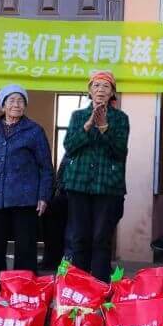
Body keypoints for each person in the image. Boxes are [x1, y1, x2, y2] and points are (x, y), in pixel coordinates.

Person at [0, 84, 53, 289]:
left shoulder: (34, 131)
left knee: (25, 247)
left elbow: (46, 167)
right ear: (2, 105)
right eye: (11, 101)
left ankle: (24, 289)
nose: (16, 105)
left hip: (26, 199)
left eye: (20, 101)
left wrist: (44, 196)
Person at [62, 71, 129, 282]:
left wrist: (104, 128)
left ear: (112, 93)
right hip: (78, 186)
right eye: (97, 86)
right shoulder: (78, 116)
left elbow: (120, 152)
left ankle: (100, 288)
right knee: (79, 238)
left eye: (106, 87)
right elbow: (69, 147)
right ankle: (79, 287)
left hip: (108, 187)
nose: (101, 90)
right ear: (90, 91)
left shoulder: (120, 118)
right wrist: (89, 124)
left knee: (101, 239)